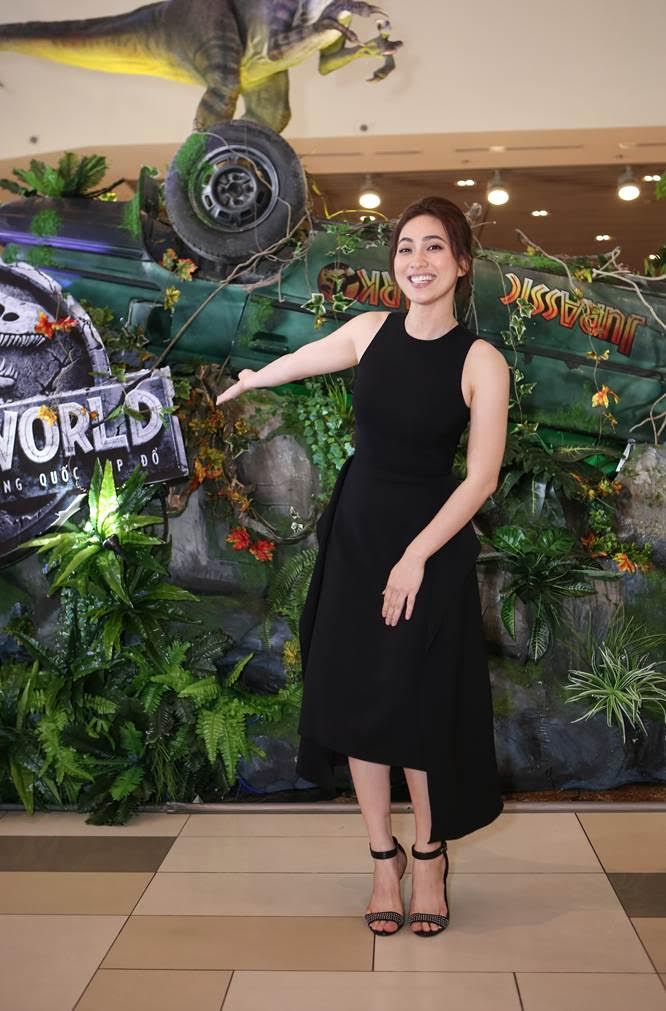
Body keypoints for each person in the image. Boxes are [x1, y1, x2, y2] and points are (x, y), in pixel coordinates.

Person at [216, 195, 510, 937]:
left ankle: (430, 855)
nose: (417, 260)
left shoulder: (480, 360)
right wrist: (255, 378)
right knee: (356, 698)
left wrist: (415, 557)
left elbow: (480, 479)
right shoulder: (369, 330)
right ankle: (384, 858)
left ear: (461, 262)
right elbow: (303, 358)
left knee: (420, 704)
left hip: (429, 546)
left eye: (434, 247)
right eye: (406, 247)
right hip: (357, 535)